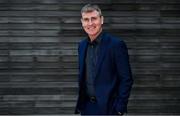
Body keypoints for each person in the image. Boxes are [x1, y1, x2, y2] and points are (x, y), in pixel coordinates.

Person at [75, 4, 133, 115]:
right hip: (87, 108)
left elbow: (126, 79)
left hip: (109, 109)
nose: (90, 23)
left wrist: (119, 109)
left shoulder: (116, 45)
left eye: (94, 18)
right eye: (86, 20)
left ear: (101, 20)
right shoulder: (81, 46)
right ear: (82, 22)